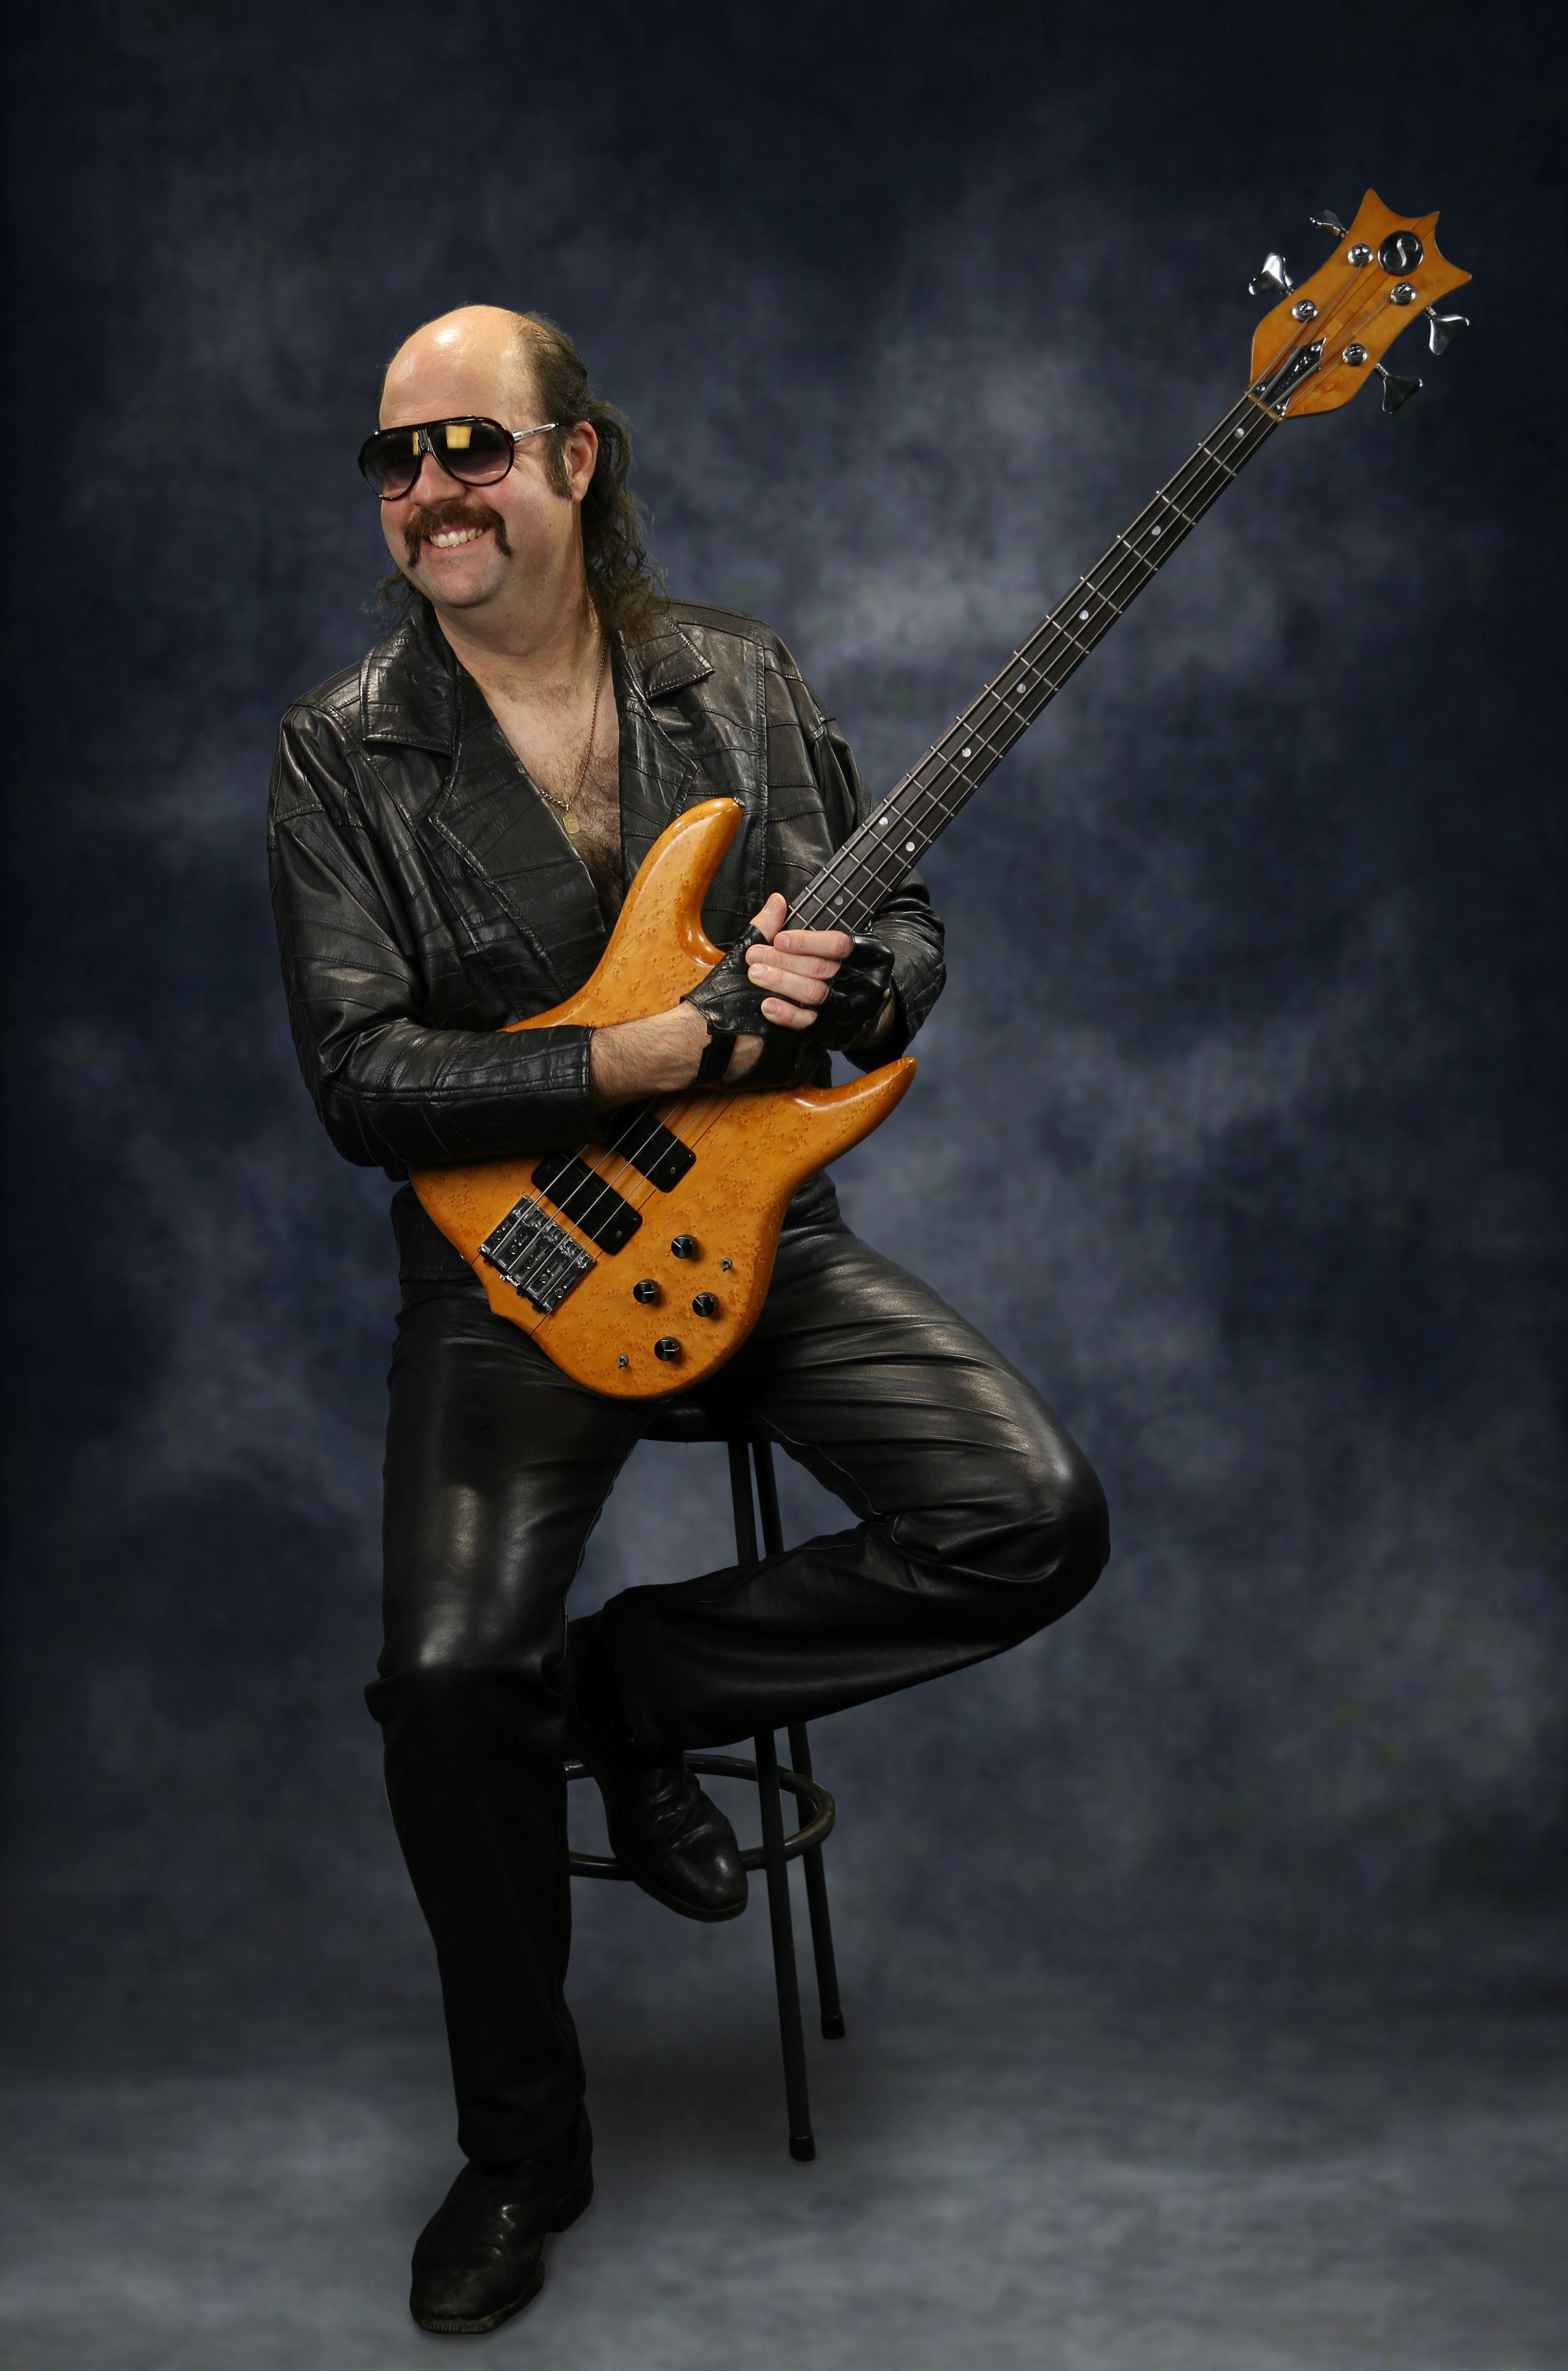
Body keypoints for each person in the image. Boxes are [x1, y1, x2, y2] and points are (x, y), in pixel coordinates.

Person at [269, 304, 1109, 2337]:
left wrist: (859, 986)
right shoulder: (340, 752)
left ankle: (627, 1692)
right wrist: (624, 1056)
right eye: (394, 458)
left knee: (1031, 1517)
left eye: (472, 444)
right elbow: (360, 1082)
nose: (429, 489)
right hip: (505, 1273)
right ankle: (521, 2149)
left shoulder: (731, 676)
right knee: (445, 1683)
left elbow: (896, 923)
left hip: (760, 1228)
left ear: (576, 459)